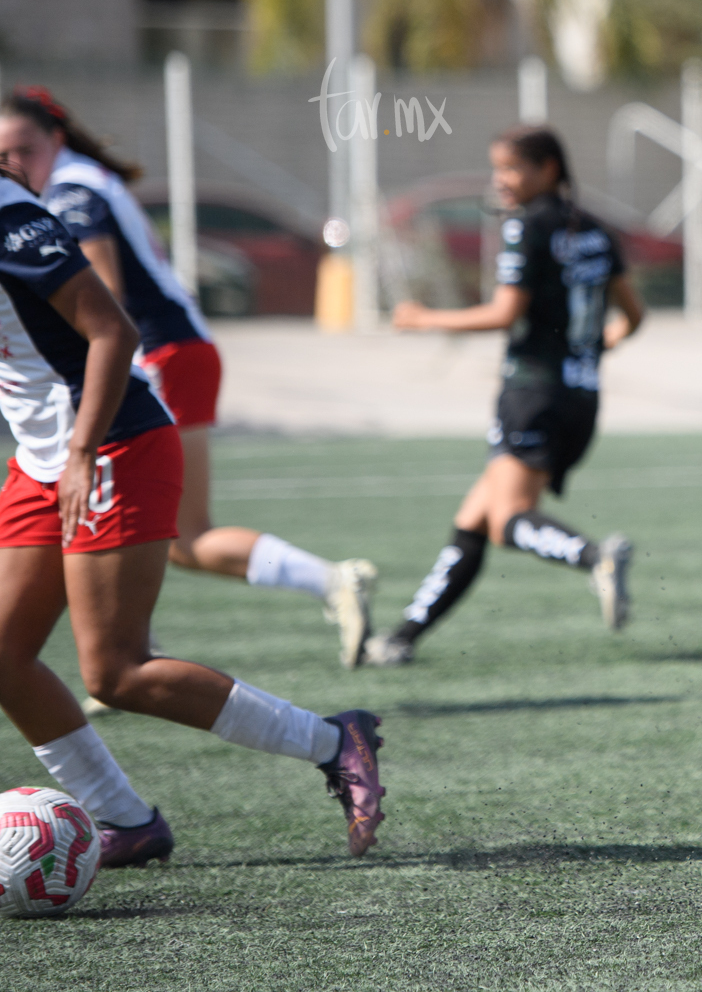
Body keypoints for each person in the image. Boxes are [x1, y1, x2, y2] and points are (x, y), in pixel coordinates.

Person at [0, 160, 384, 865]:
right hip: (40, 458)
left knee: (115, 671)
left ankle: (334, 741)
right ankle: (125, 819)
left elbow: (112, 332)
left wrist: (82, 449)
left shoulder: (9, 220)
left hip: (111, 441)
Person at [0, 88, 380, 669]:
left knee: (184, 534)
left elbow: (109, 304)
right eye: (5, 152)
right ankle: (126, 651)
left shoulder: (73, 192)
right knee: (179, 536)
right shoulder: (81, 180)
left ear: (55, 138)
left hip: (159, 357)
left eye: (24, 147)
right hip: (178, 349)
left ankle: (325, 582)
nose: (16, 162)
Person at [365, 125, 644, 666]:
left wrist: (424, 319)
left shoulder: (526, 228)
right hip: (580, 399)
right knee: (474, 518)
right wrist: (591, 349)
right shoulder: (595, 230)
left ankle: (596, 558)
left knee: (507, 520)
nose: (502, 180)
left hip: (531, 391)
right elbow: (634, 316)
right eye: (497, 168)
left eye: (513, 168)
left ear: (549, 170)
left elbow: (503, 314)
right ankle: (403, 637)